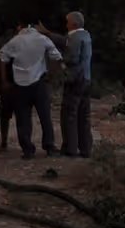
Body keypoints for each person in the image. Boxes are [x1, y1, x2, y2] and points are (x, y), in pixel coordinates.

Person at [0, 18, 63, 159]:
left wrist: (4, 81)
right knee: (45, 116)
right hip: (39, 82)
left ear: (20, 27)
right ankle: (49, 146)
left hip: (19, 84)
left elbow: (1, 58)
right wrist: (51, 76)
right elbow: (57, 57)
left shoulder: (15, 41)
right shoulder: (42, 38)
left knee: (23, 118)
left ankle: (27, 149)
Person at [37, 12, 93, 158]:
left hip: (75, 80)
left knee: (69, 114)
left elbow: (72, 58)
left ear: (73, 24)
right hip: (86, 78)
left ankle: (70, 148)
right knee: (83, 115)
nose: (66, 24)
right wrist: (48, 33)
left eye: (67, 22)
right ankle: (86, 148)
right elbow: (64, 41)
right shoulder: (85, 35)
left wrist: (60, 63)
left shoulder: (73, 37)